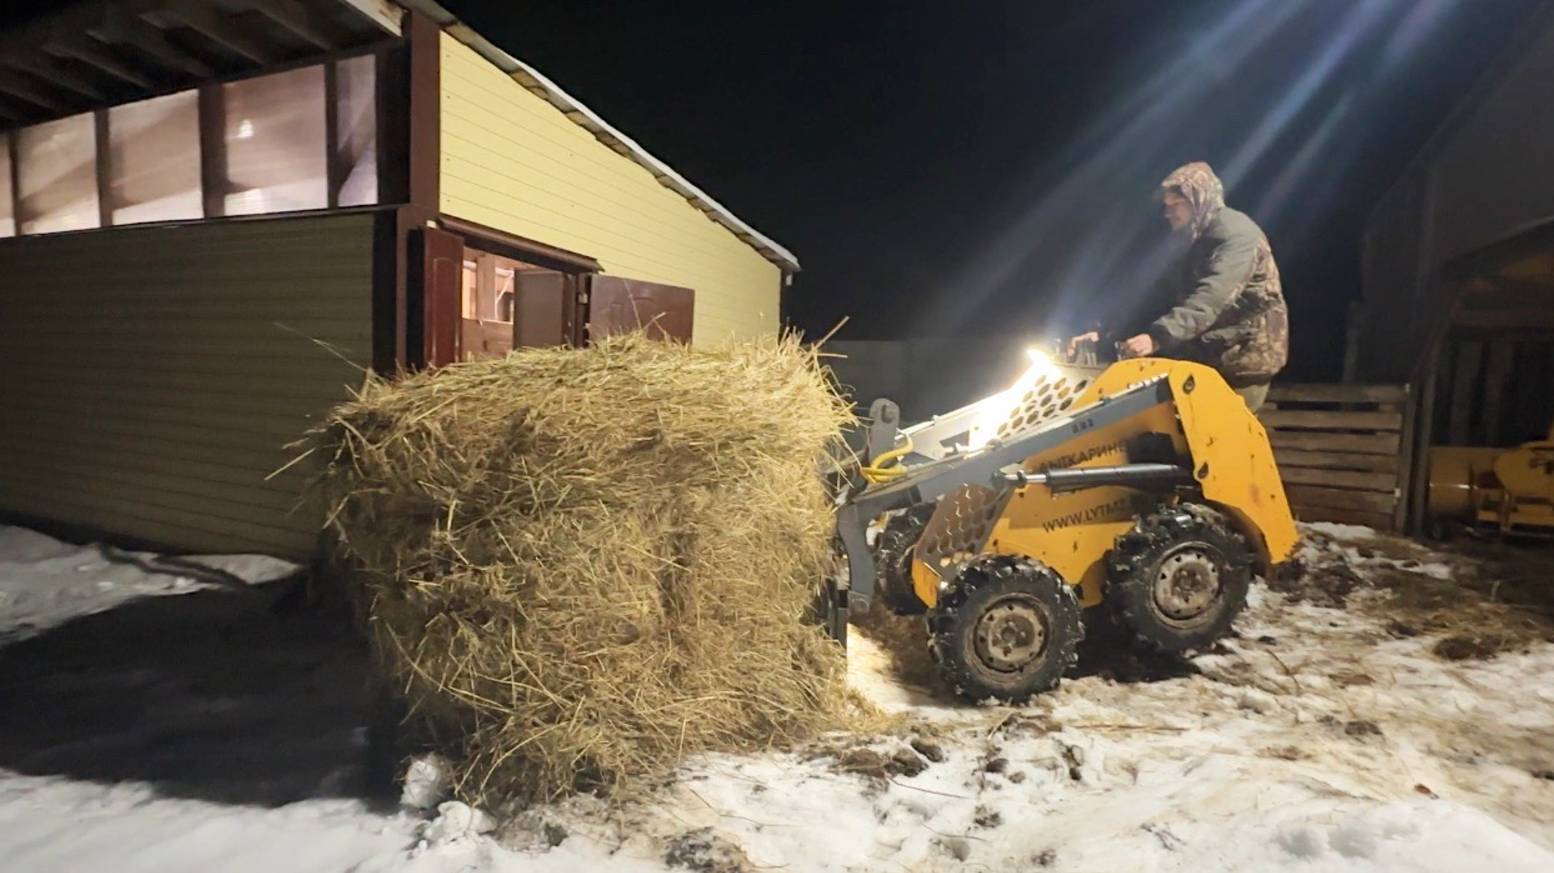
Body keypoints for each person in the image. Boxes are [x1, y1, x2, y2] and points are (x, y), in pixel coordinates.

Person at [1068, 161, 1288, 411]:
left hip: (1242, 359)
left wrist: (1157, 338)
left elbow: (1212, 297)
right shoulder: (1190, 238)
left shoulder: (1237, 236)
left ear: (1199, 199)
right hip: (1206, 355)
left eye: (1176, 204)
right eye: (1166, 205)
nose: (1167, 212)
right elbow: (1153, 293)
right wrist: (1106, 332)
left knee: (1221, 433)